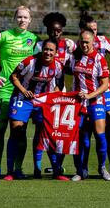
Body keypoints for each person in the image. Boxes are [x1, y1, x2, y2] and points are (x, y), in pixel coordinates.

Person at [0, 6, 39, 179]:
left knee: (20, 131)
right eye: (19, 17)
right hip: (5, 88)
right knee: (0, 129)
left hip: (24, 91)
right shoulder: (5, 36)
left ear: (30, 20)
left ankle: (17, 169)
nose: (22, 20)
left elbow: (48, 55)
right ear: (14, 18)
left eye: (25, 17)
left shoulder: (34, 39)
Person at [4, 39, 65, 181]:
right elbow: (13, 76)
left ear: (55, 53)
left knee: (45, 133)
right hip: (22, 99)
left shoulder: (58, 66)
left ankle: (50, 170)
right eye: (46, 49)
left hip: (42, 102)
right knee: (17, 131)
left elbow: (60, 83)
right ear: (41, 49)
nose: (48, 52)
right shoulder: (30, 61)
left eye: (51, 50)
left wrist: (53, 94)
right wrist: (24, 90)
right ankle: (11, 171)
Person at [77, 12, 110, 179]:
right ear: (83, 30)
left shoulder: (103, 41)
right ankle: (82, 169)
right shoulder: (77, 47)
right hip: (84, 94)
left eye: (96, 29)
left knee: (106, 130)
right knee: (84, 133)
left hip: (104, 92)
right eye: (90, 29)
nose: (94, 33)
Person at [33, 12, 76, 176]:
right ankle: (37, 166)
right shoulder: (39, 45)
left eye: (58, 30)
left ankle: (57, 166)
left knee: (60, 132)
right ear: (47, 29)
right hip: (43, 95)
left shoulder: (69, 45)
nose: (55, 33)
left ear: (62, 29)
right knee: (40, 130)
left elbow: (74, 66)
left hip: (61, 93)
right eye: (52, 30)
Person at [68, 28, 110, 181]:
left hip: (96, 101)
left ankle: (102, 167)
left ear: (93, 42)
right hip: (78, 104)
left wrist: (89, 95)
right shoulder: (74, 57)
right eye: (82, 42)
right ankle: (81, 170)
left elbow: (105, 85)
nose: (84, 45)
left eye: (87, 42)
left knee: (100, 136)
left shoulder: (99, 58)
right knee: (81, 139)